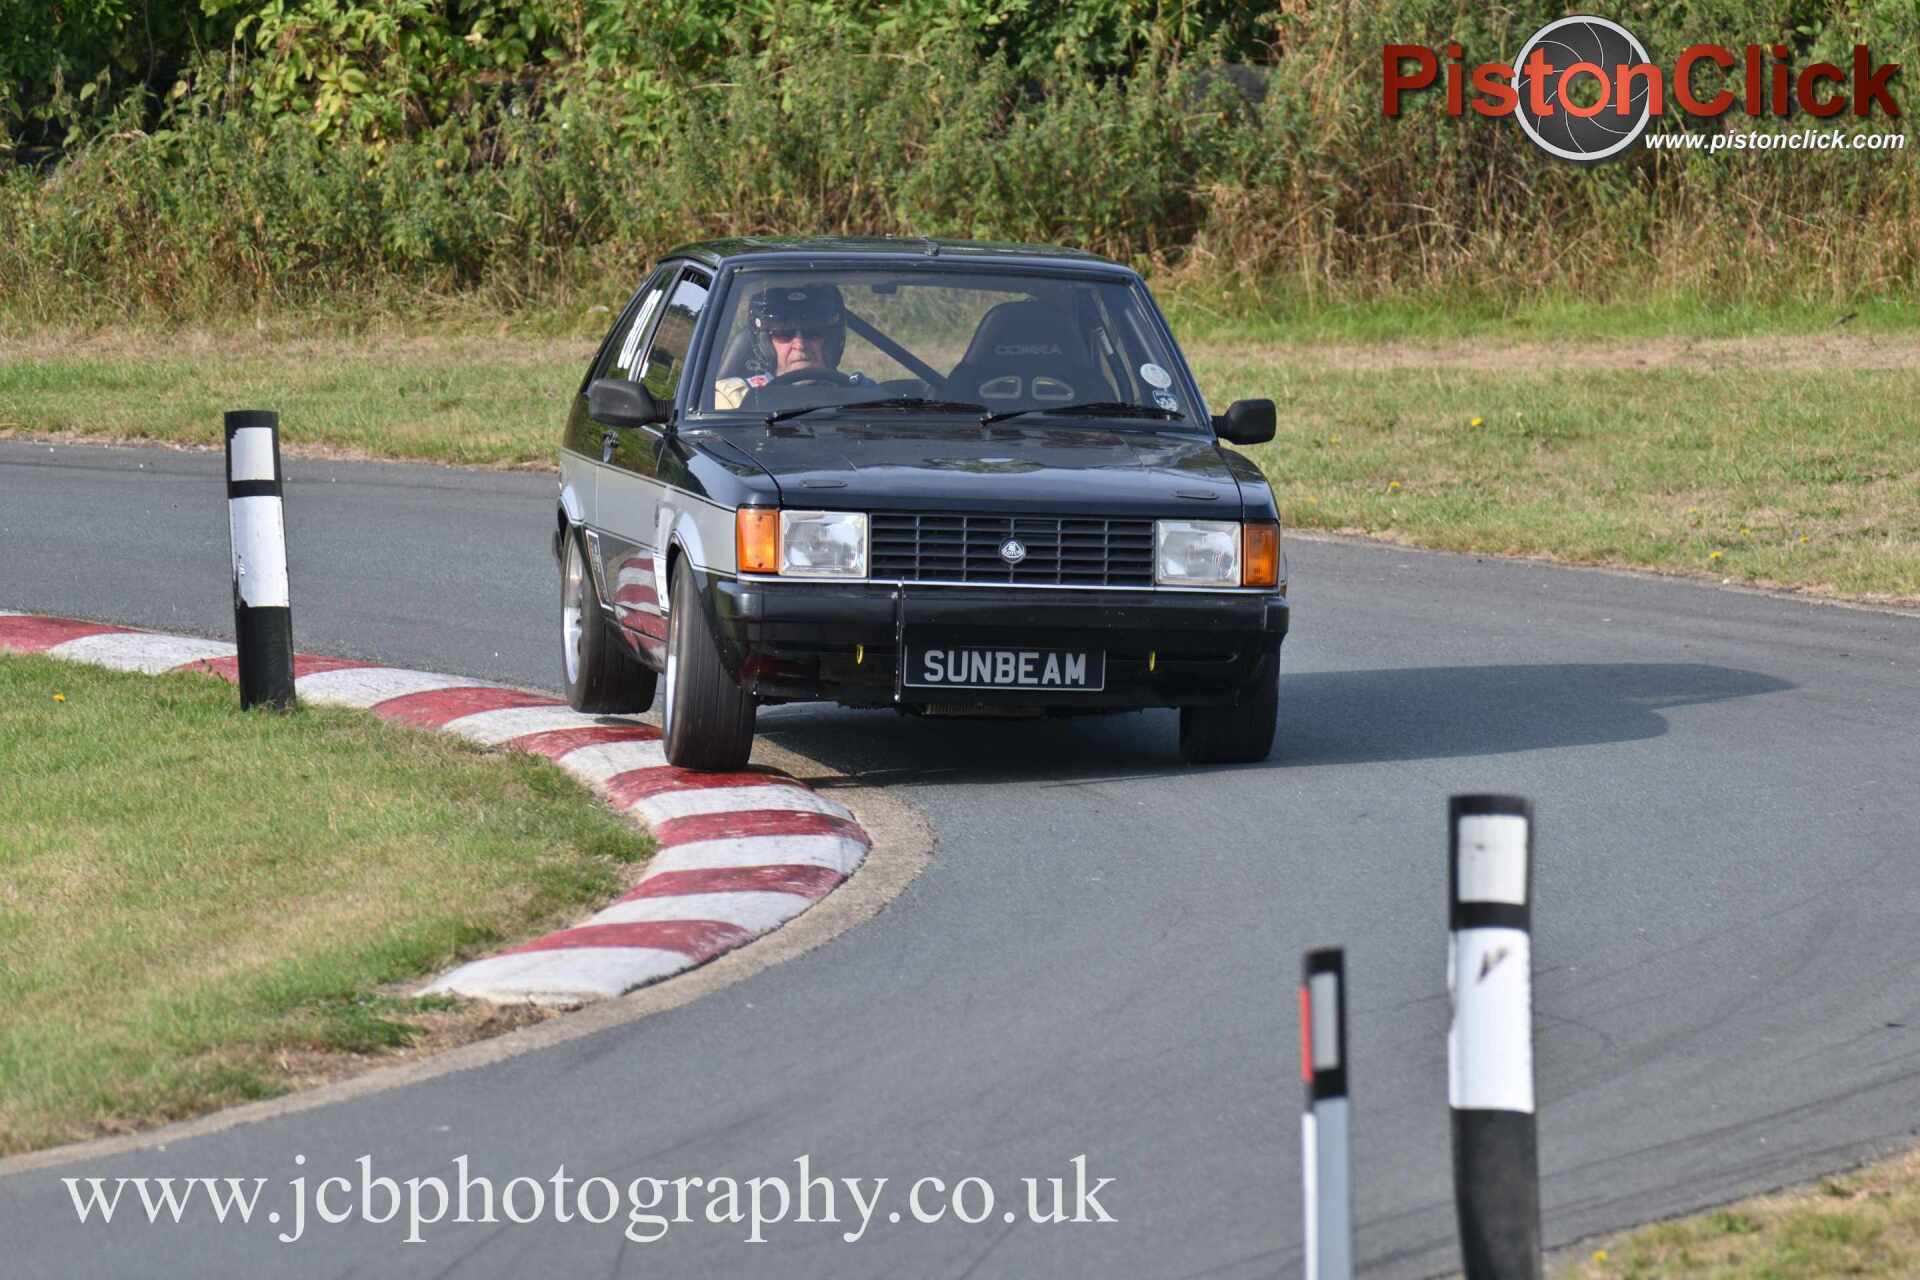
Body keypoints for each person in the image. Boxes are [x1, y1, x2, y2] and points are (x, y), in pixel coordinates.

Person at [714, 283, 871, 409]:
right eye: (784, 333)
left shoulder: (864, 396)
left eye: (813, 332)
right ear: (765, 344)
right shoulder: (733, 400)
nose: (800, 344)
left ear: (832, 341)